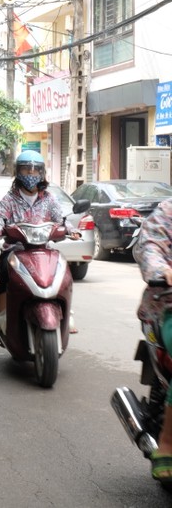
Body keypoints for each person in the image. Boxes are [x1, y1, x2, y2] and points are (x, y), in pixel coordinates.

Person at [0, 150, 81, 333]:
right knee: (4, 269)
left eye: (34, 170)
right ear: (18, 172)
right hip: (15, 249)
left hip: (43, 249)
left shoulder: (49, 199)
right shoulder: (9, 199)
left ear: (41, 173)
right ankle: (0, 314)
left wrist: (72, 230)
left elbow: (61, 221)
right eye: (26, 169)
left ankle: (67, 313)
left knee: (63, 271)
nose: (30, 174)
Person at [135, 198, 172, 484]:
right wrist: (161, 270)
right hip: (167, 305)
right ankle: (168, 444)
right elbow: (150, 245)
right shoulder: (168, 211)